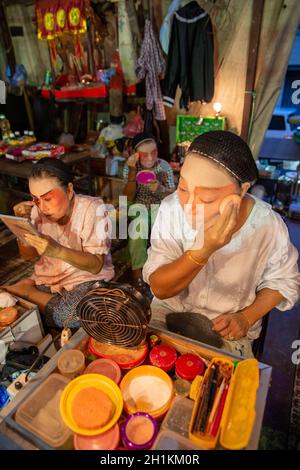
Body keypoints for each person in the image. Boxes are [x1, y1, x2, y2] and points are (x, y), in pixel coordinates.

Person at [143, 131, 300, 358]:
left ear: (243, 189)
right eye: (184, 188)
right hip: (171, 310)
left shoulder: (267, 225)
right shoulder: (171, 209)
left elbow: (284, 281)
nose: (189, 205)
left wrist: (246, 317)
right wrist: (204, 249)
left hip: (229, 325)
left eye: (206, 198)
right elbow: (160, 288)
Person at [3, 158, 114, 329]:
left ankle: (27, 292)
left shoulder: (92, 209)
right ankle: (35, 300)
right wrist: (22, 227)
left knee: (80, 314)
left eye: (47, 198)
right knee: (65, 315)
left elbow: (96, 266)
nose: (42, 207)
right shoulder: (37, 211)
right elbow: (28, 255)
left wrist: (58, 251)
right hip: (48, 280)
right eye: (36, 199)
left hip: (86, 278)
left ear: (69, 190)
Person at [123, 132, 175, 292]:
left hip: (159, 206)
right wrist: (132, 174)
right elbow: (126, 198)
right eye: (145, 154)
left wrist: (161, 189)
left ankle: (162, 270)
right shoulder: (131, 166)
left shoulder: (164, 166)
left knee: (160, 227)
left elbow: (174, 195)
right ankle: (137, 272)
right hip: (138, 205)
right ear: (137, 155)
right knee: (140, 225)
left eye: (154, 152)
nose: (151, 158)